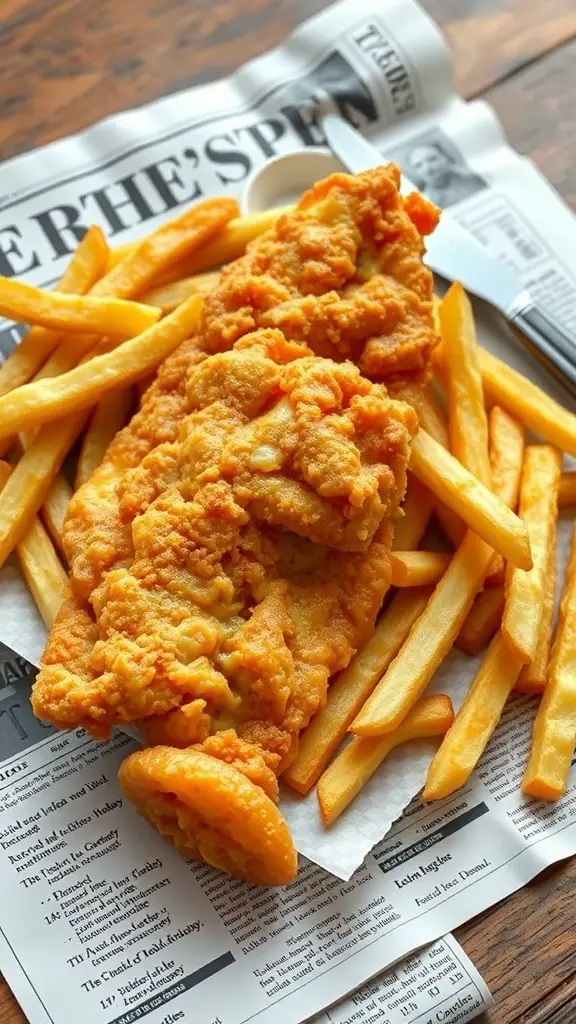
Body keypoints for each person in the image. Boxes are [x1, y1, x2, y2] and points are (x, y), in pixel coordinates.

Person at [406, 143, 484, 208]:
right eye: (418, 165)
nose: (427, 168)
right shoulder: (425, 203)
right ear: (415, 172)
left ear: (446, 158)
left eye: (432, 159)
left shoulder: (474, 179)